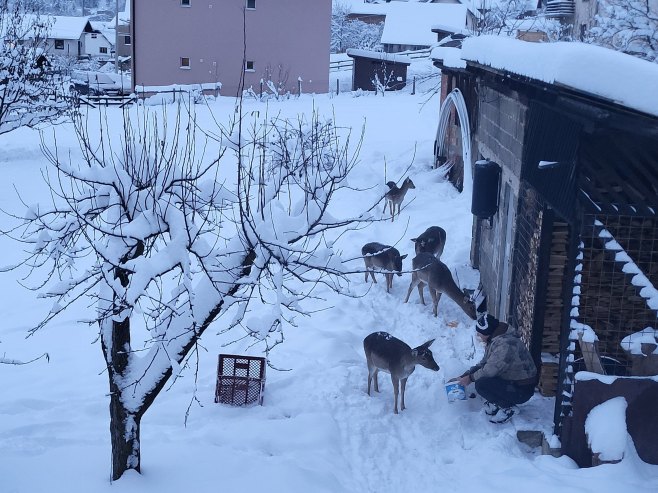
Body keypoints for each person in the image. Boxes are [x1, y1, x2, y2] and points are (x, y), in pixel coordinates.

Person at [449, 314, 537, 423]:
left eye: (479, 332)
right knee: (482, 380)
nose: (478, 334)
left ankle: (508, 408)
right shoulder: (496, 340)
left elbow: (489, 371)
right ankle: (498, 403)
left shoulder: (505, 345)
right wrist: (466, 374)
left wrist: (470, 378)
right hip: (513, 383)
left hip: (522, 391)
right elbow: (484, 364)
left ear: (487, 332)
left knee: (482, 384)